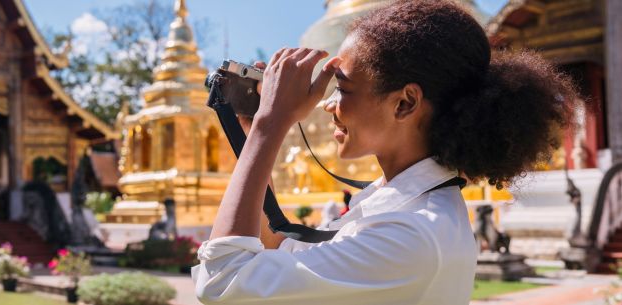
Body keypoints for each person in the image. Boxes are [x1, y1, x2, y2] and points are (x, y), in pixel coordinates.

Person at [192, 1, 579, 304]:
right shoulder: (395, 206)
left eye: (342, 89)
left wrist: (269, 127)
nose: (328, 105)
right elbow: (273, 247)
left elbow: (222, 281)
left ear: (405, 103)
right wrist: (252, 131)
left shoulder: (412, 234)